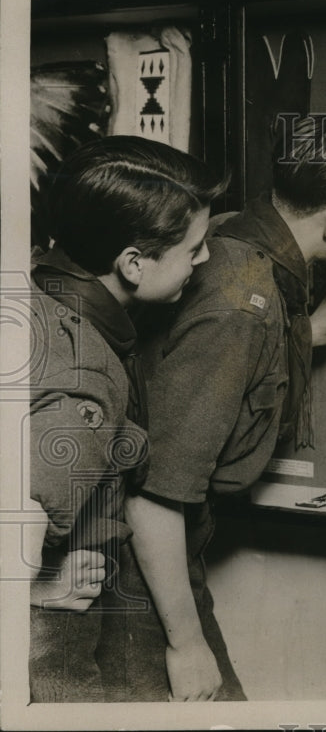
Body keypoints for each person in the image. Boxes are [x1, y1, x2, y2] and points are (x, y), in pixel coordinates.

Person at [119, 115, 326, 701]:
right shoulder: (241, 303)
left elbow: (198, 363)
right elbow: (154, 494)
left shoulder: (235, 241)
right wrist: (186, 644)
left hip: (154, 556)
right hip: (138, 565)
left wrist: (303, 330)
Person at [27, 135, 226, 702]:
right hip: (45, 639)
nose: (205, 259)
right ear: (134, 264)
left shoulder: (42, 295)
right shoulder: (85, 374)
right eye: (194, 248)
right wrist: (29, 588)